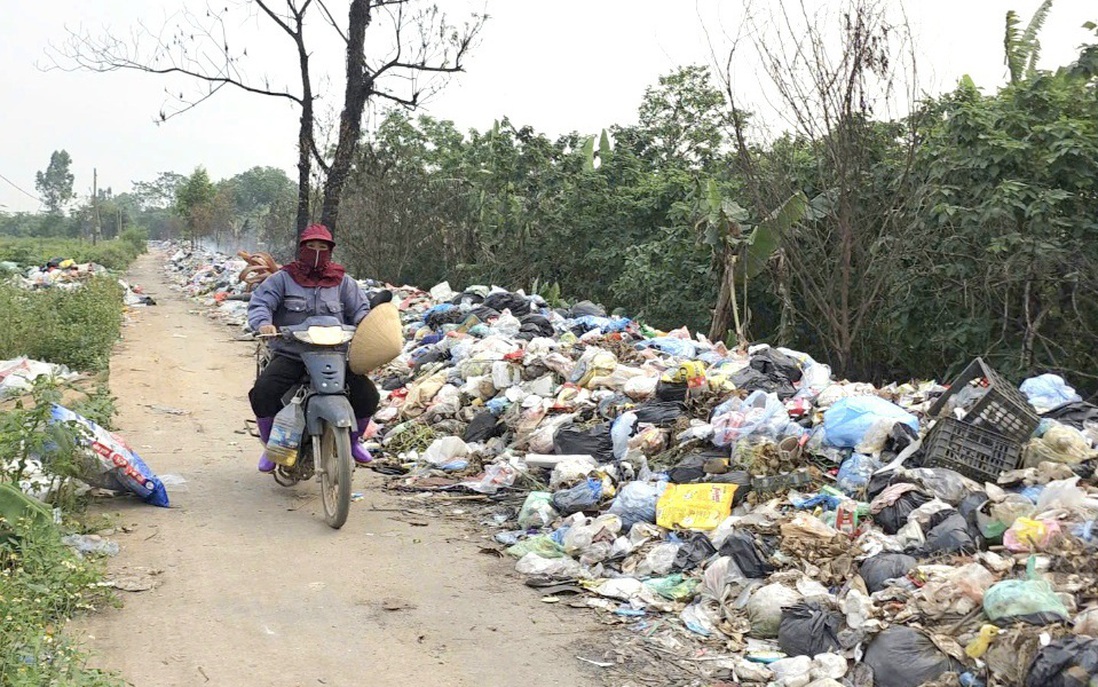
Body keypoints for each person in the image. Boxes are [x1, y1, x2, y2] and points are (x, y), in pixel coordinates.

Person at [247, 224, 377, 472]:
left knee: (368, 395)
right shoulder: (283, 279)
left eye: (322, 247)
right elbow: (261, 303)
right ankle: (273, 445)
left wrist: (366, 324)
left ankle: (352, 441)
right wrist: (263, 323)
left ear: (330, 250)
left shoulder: (343, 282)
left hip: (335, 354)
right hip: (293, 353)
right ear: (301, 248)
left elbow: (361, 310)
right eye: (311, 246)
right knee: (263, 392)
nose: (317, 251)